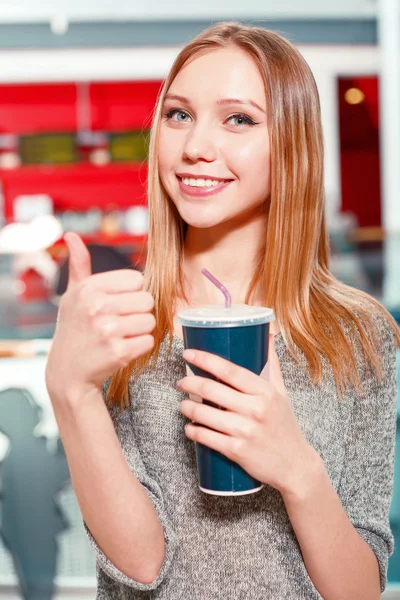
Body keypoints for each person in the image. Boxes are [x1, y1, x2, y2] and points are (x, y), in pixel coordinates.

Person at [45, 22, 400, 600]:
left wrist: (297, 470)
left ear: (291, 142)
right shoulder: (123, 326)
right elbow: (141, 568)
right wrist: (70, 389)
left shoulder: (358, 335)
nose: (194, 147)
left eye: (238, 119)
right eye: (178, 114)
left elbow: (360, 591)